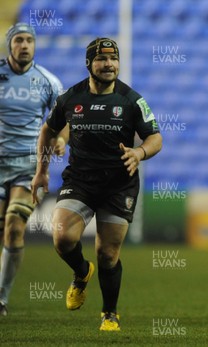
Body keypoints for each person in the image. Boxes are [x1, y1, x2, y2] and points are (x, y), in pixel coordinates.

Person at [31, 38, 162, 331]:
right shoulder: (70, 98)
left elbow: (155, 138)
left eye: (114, 59)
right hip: (80, 180)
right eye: (102, 59)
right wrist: (41, 171)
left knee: (107, 253)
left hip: (119, 184)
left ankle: (109, 313)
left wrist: (139, 152)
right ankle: (81, 272)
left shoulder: (132, 100)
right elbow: (48, 132)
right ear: (89, 63)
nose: (109, 65)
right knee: (62, 237)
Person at [0, 23, 63, 316]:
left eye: (29, 40)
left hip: (27, 165)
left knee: (14, 227)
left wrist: (61, 139)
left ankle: (1, 299)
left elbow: (64, 122)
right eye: (19, 40)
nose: (24, 45)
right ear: (10, 45)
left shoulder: (48, 82)